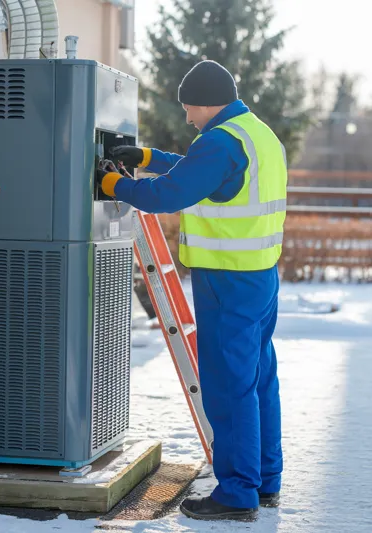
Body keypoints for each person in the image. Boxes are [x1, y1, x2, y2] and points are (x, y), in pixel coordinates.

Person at [98, 60, 287, 522]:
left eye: (189, 108)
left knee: (228, 385)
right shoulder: (253, 133)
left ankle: (237, 494)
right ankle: (263, 480)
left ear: (205, 102)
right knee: (259, 379)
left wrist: (113, 184)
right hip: (259, 276)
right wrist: (144, 158)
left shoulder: (220, 142)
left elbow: (169, 194)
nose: (187, 117)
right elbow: (200, 173)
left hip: (226, 278)